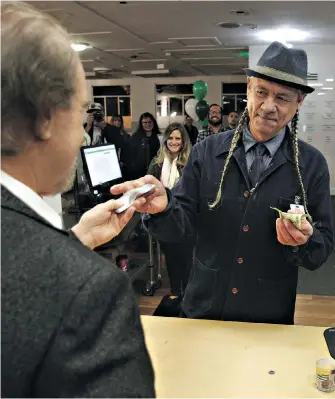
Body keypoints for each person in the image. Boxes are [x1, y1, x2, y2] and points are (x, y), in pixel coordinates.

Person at [112, 41, 333, 325]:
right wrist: (163, 208)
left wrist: (304, 240)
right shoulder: (207, 153)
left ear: (299, 101)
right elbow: (181, 223)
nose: (268, 106)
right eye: (261, 92)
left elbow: (321, 248)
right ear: (248, 87)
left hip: (267, 314)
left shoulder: (311, 165)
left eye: (282, 97)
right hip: (205, 305)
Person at [1, 3, 155, 397]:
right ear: (48, 117)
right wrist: (70, 263)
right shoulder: (89, 292)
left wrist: (74, 243)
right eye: (82, 108)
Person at [148, 123, 193, 299]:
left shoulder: (190, 162)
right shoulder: (156, 162)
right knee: (171, 258)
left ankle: (189, 294)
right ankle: (176, 292)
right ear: (165, 139)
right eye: (171, 138)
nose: (173, 142)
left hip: (185, 218)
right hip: (163, 218)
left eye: (178, 138)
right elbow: (149, 187)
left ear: (183, 141)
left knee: (187, 259)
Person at [122, 112, 161, 180]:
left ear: (153, 123)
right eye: (145, 122)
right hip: (139, 174)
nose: (148, 124)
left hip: (155, 172)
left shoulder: (158, 137)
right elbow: (130, 156)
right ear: (141, 124)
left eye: (150, 122)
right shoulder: (135, 137)